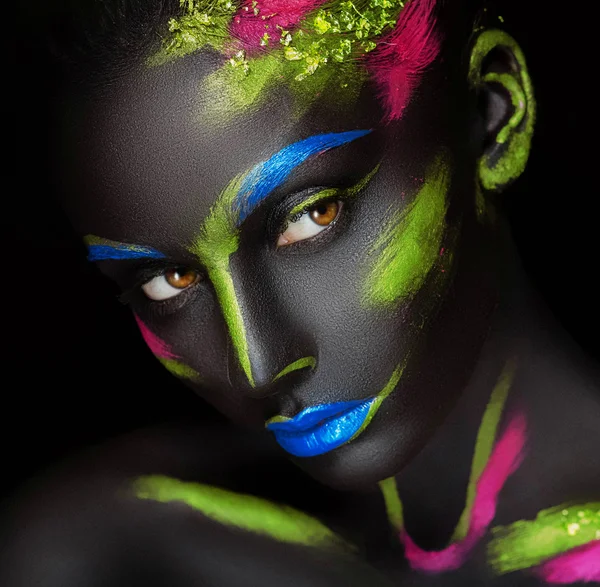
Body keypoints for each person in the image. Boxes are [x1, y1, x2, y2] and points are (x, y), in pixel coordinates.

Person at [4, 0, 599, 585]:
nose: (257, 366)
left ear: (490, 113)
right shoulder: (108, 546)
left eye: (311, 216)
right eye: (168, 281)